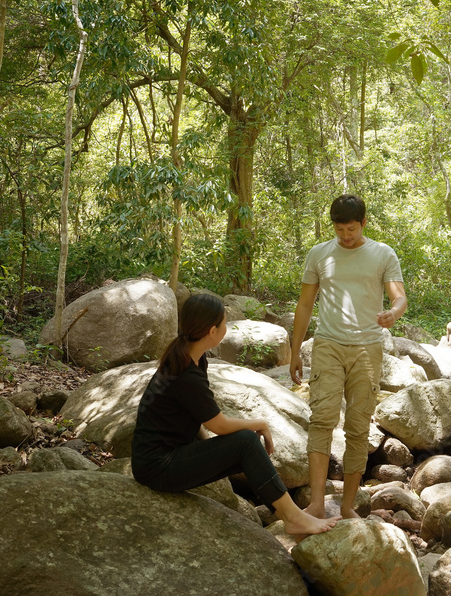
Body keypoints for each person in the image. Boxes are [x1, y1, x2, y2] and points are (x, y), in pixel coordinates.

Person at [131, 293, 337, 537]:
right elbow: (219, 424)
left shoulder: (190, 357)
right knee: (246, 442)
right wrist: (259, 423)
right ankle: (292, 517)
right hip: (158, 467)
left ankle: (287, 512)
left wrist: (211, 452)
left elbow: (194, 415)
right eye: (224, 323)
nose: (226, 328)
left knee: (243, 447)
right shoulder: (187, 373)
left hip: (163, 458)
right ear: (212, 331)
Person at [290, 194, 407, 519]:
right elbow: (304, 304)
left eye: (351, 228)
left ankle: (347, 506)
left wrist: (393, 313)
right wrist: (295, 349)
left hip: (367, 349)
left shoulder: (382, 254)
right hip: (327, 344)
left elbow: (399, 297)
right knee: (321, 420)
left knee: (357, 428)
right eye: (340, 229)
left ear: (364, 223)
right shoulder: (319, 254)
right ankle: (316, 502)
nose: (345, 235)